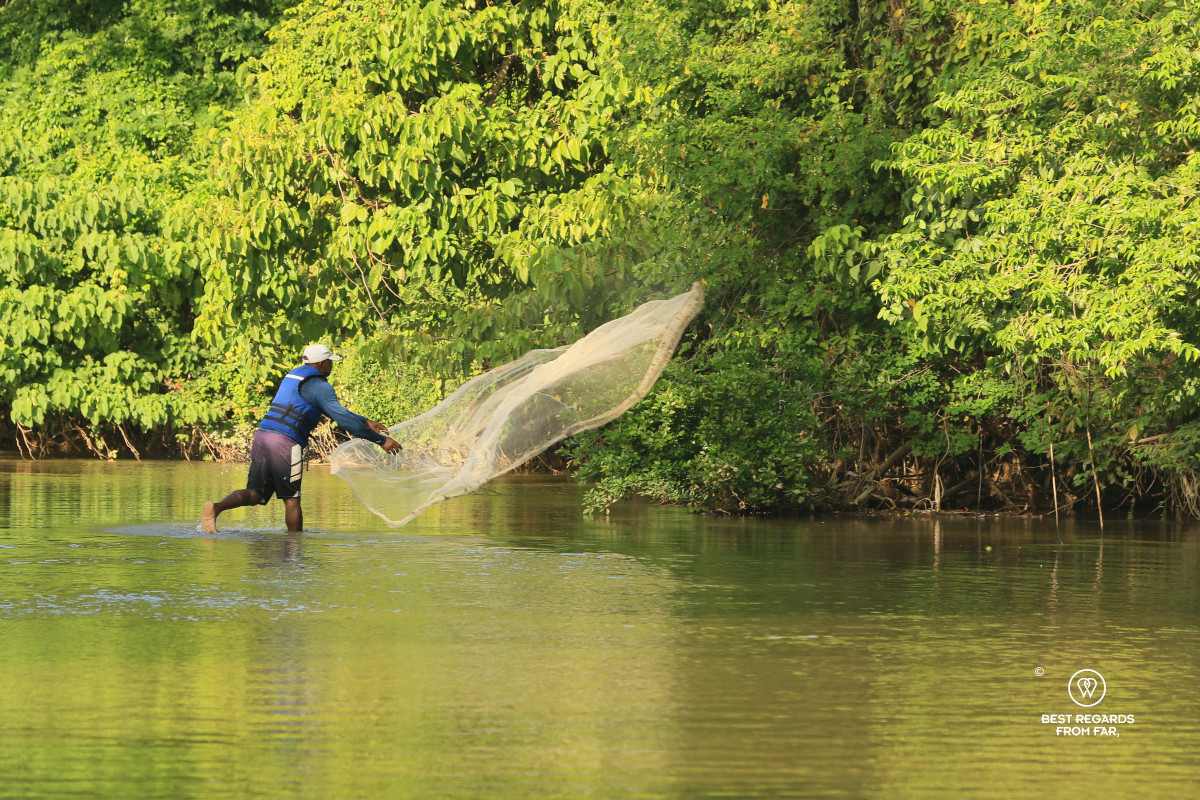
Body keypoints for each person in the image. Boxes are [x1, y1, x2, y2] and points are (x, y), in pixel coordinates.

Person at [201, 343, 401, 533]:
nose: (332, 365)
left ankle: (215, 508)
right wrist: (381, 441)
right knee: (291, 499)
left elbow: (338, 413)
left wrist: (365, 421)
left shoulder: (294, 376)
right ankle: (294, 549)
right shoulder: (319, 386)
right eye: (330, 361)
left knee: (256, 493)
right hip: (284, 443)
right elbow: (342, 419)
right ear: (321, 363)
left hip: (263, 436)